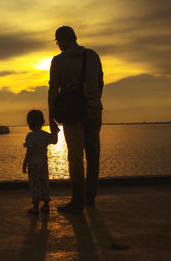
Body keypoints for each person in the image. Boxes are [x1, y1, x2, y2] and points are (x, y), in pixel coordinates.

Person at [48, 26, 104, 214]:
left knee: (75, 158)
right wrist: (93, 101)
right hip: (95, 110)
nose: (58, 46)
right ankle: (91, 198)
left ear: (61, 41)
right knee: (93, 155)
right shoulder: (93, 55)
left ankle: (77, 202)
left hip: (74, 114)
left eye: (57, 42)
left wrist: (51, 117)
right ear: (75, 38)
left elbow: (53, 91)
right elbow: (100, 82)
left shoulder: (58, 61)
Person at [23, 109, 58, 214]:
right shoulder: (45, 135)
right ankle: (46, 206)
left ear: (30, 123)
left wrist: (24, 164)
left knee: (35, 185)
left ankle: (35, 207)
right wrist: (55, 131)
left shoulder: (30, 136)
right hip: (43, 165)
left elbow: (29, 151)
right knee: (44, 184)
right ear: (42, 122)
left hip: (33, 165)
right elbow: (55, 141)